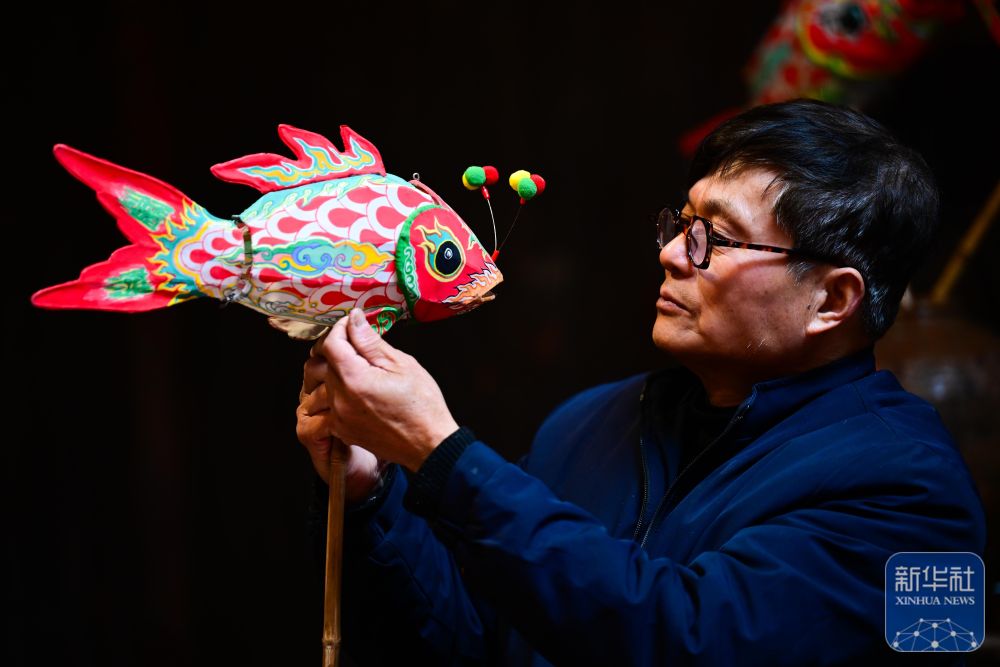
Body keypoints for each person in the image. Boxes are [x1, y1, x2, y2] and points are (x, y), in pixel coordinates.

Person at [296, 99, 986, 665]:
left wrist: (443, 455)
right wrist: (372, 491)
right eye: (682, 224)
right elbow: (476, 641)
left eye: (715, 238)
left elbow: (685, 640)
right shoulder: (591, 421)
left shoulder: (912, 491)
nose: (672, 254)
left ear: (831, 300)